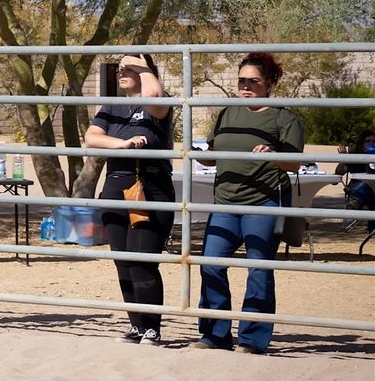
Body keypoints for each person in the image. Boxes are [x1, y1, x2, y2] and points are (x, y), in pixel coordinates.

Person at [191, 52, 304, 354]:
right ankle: (215, 334)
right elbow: (213, 152)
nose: (246, 86)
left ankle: (253, 339)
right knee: (211, 264)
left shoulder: (284, 117)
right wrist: (198, 152)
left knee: (258, 269)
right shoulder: (228, 112)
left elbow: (294, 165)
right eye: (241, 80)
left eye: (253, 80)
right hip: (225, 201)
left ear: (269, 83)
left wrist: (273, 155)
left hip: (264, 201)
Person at [84, 54, 174, 346]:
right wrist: (121, 143)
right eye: (120, 68)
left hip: (149, 188)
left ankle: (152, 328)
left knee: (142, 261)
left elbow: (154, 99)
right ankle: (136, 326)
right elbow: (92, 136)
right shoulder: (112, 105)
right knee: (123, 260)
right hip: (115, 187)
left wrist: (143, 68)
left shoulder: (158, 101)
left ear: (147, 71)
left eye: (130, 68)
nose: (122, 72)